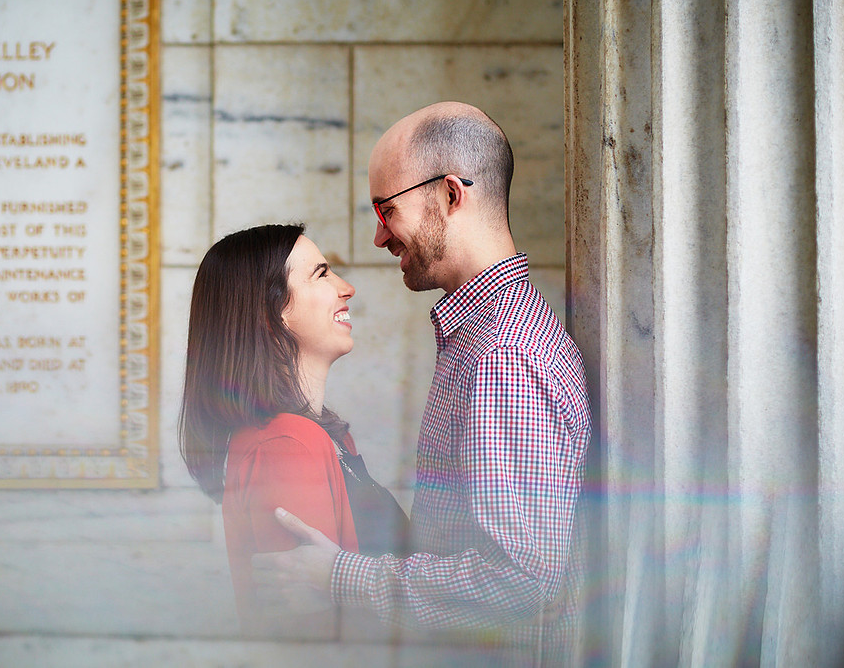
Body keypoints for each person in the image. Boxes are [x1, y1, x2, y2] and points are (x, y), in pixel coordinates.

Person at [251, 102, 592, 660]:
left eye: (387, 210)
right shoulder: (484, 338)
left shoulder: (503, 357)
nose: (380, 238)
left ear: (451, 195)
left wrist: (340, 576)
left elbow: (520, 582)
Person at [178, 223, 409, 637]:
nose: (347, 287)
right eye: (321, 274)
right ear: (273, 314)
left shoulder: (322, 438)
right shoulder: (288, 445)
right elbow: (309, 640)